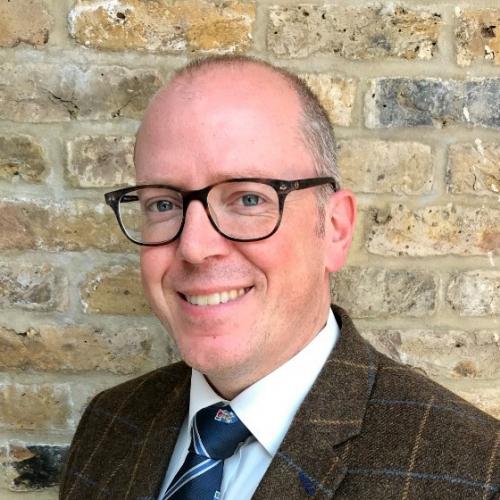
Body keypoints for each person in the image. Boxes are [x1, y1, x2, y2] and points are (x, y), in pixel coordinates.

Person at [59, 56, 499, 500]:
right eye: (163, 204)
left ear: (335, 229)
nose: (194, 246)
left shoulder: (479, 473)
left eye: (248, 199)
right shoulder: (110, 423)